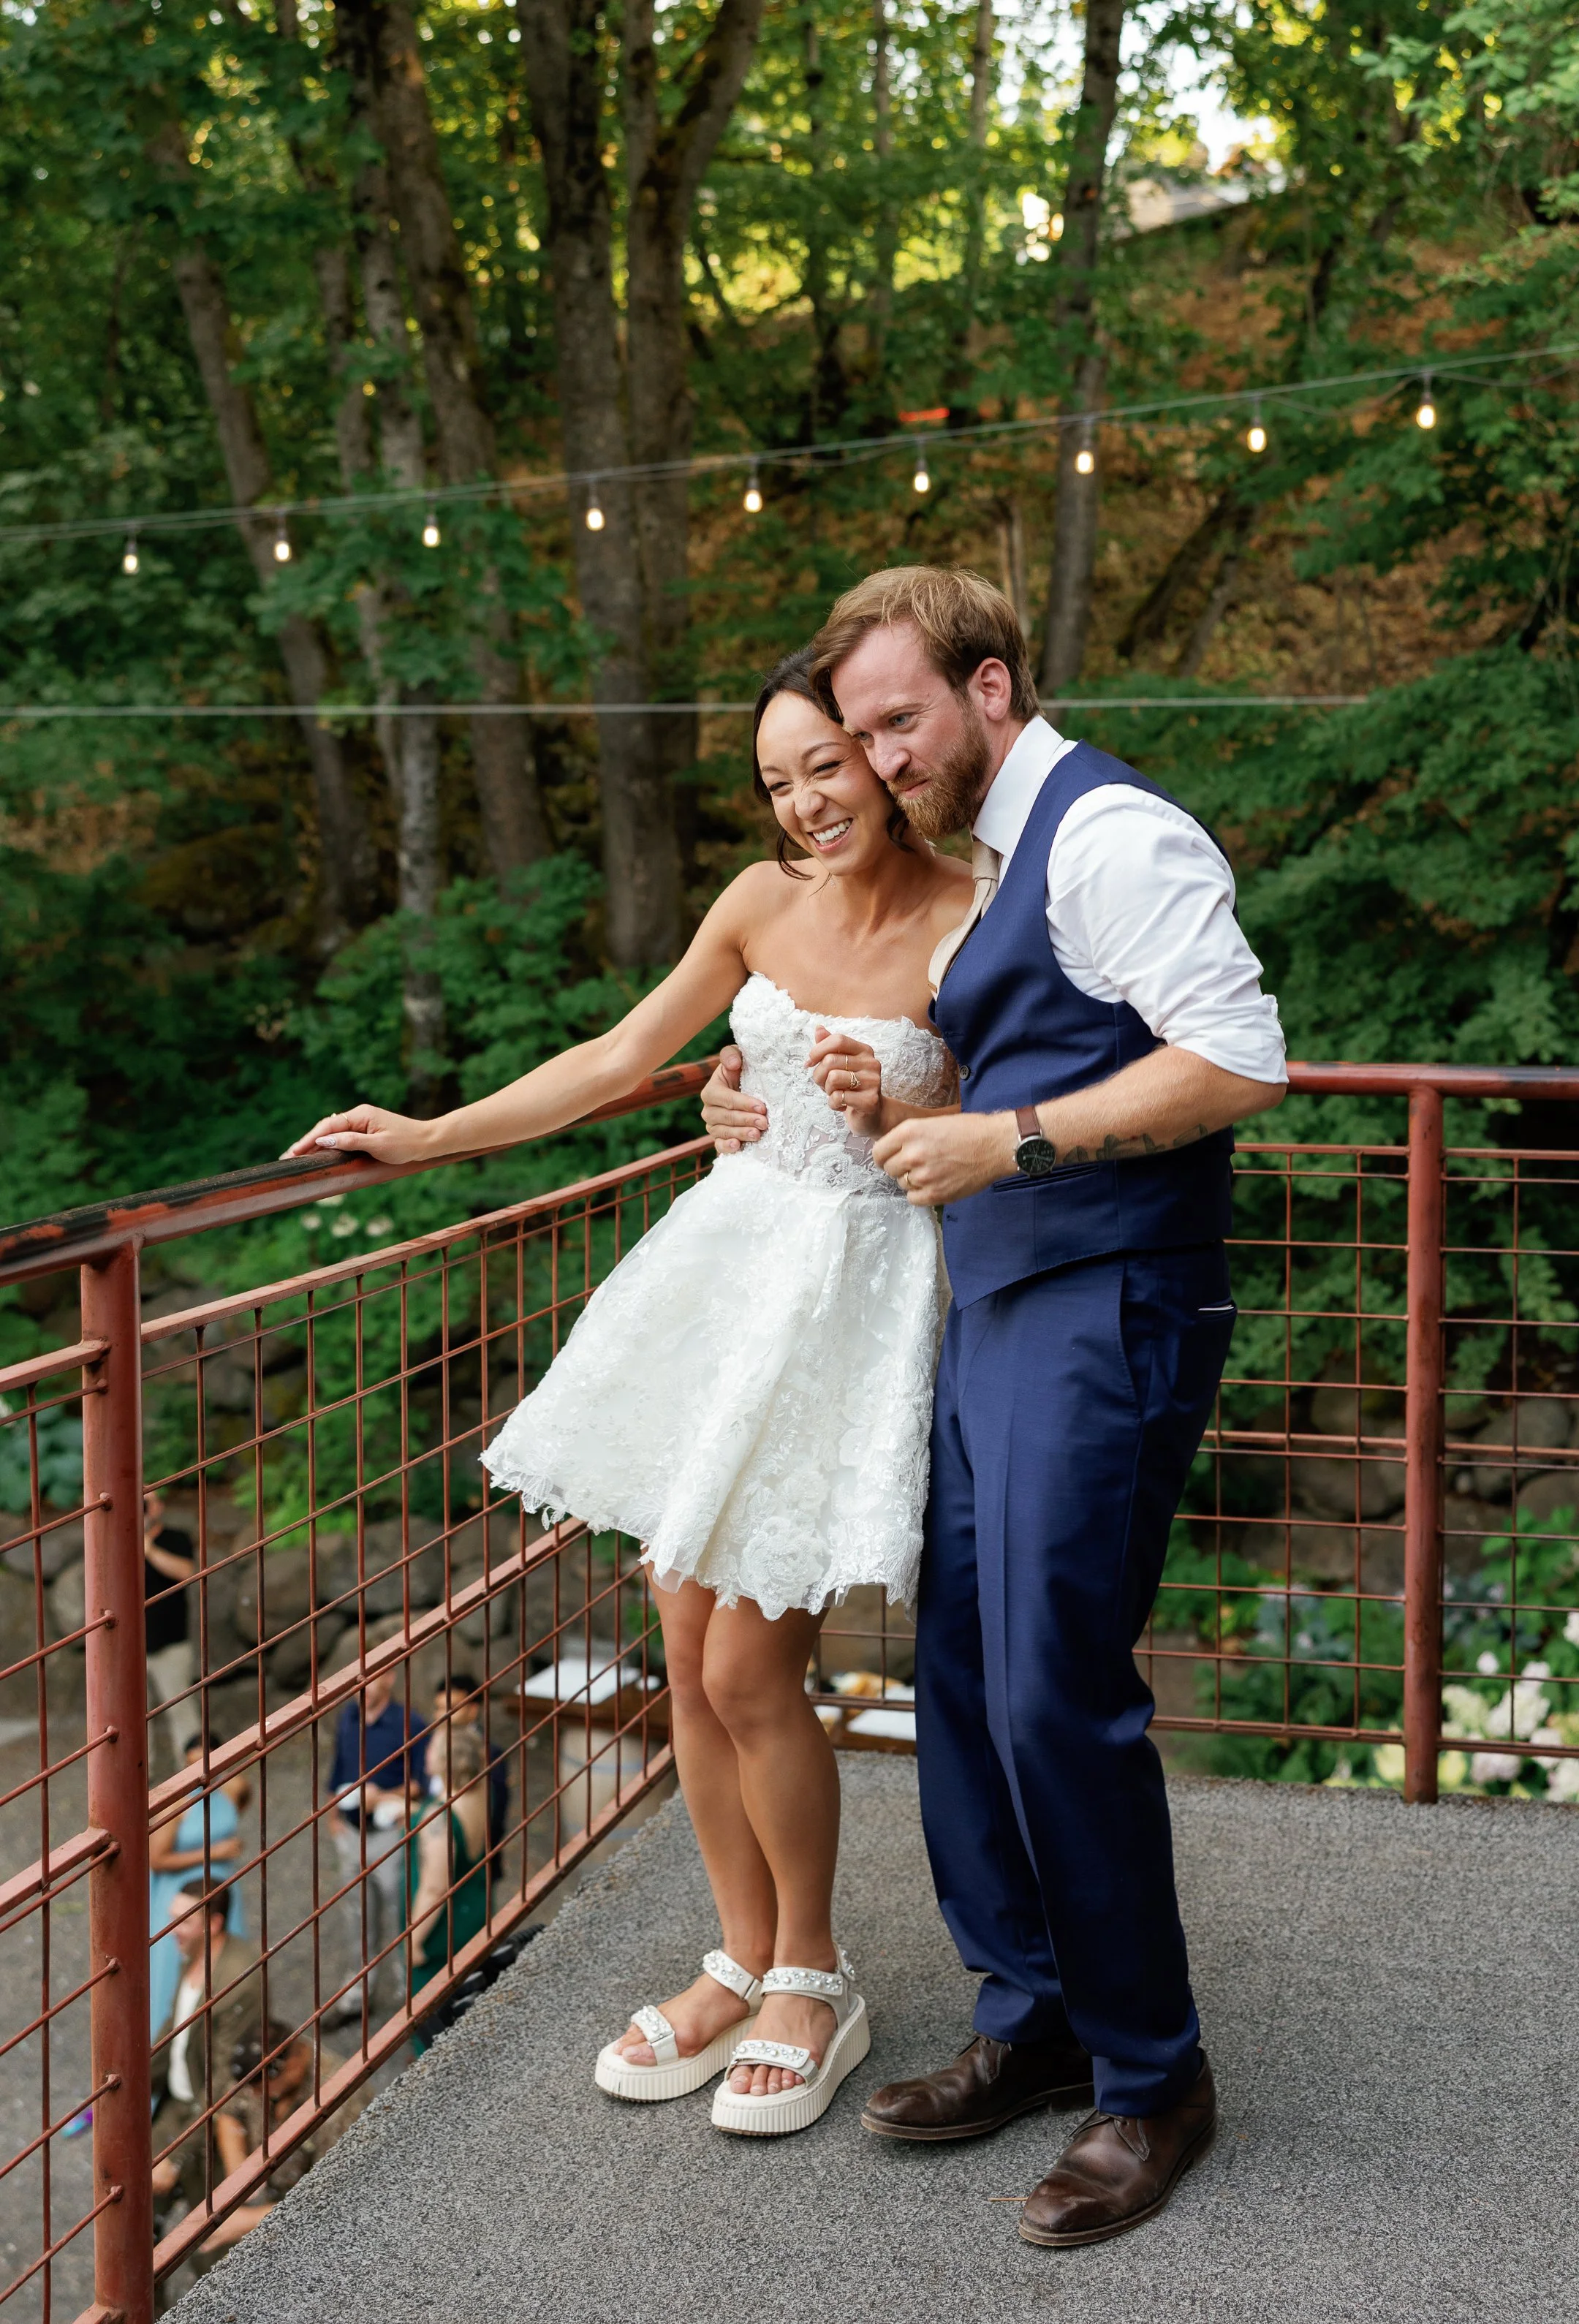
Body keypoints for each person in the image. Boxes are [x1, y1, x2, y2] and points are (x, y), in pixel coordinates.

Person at [284, 648, 972, 2137]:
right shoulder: (755, 902)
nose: (804, 800)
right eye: (780, 779)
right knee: (677, 1633)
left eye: (827, 765)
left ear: (880, 755)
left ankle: (814, 1973)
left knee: (746, 1667)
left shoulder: (971, 909)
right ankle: (736, 1952)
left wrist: (907, 1101)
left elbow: (1003, 1109)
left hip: (853, 1303)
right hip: (727, 1281)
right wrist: (429, 1135)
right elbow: (619, 1053)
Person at [751, 565, 1284, 2245]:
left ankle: (1151, 2079)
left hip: (1108, 1298)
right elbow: (1035, 1055)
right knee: (961, 1673)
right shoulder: (992, 863)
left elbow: (1238, 1056)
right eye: (858, 732)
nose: (878, 759)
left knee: (1055, 1685)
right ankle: (1031, 2016)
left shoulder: (1115, 835)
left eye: (897, 721)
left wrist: (1012, 1140)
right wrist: (884, 1092)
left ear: (990, 690)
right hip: (991, 1301)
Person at [188, 2021, 369, 2263]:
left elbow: (329, 2199)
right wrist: (240, 2176)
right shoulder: (261, 2070)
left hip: (324, 2222)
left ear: (293, 2065)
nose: (254, 2096)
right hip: (273, 2192)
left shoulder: (341, 2104)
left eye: (262, 2090)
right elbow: (229, 2113)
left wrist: (248, 2221)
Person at [151, 1877, 265, 2220]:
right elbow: (174, 2033)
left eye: (184, 1921)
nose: (173, 1930)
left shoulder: (238, 1978)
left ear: (214, 1924)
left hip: (213, 2119)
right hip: (181, 2102)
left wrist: (178, 2157)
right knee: (138, 2210)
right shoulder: (195, 1953)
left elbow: (223, 2079)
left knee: (210, 2232)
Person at [323, 1668, 428, 2030]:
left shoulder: (410, 1723)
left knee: (402, 1912)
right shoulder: (348, 1718)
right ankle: (358, 1994)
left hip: (390, 1834)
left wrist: (382, 1796)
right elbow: (338, 1768)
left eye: (371, 1679)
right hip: (352, 1834)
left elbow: (423, 1785)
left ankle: (410, 1996)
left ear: (391, 1679)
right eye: (357, 1681)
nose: (362, 1689)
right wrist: (334, 1817)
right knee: (357, 1914)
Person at [148, 1730, 247, 2037]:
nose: (201, 1774)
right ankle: (169, 2046)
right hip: (182, 1891)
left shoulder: (233, 1788)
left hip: (222, 1887)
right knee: (173, 1970)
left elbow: (242, 1803)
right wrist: (214, 1852)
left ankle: (225, 2032)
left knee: (227, 1961)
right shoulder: (174, 1803)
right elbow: (156, 1859)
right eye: (192, 1766)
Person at [407, 1721, 491, 2050]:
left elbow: (434, 1889)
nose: (425, 1751)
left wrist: (414, 1939)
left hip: (441, 1926)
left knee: (433, 2017)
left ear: (442, 1761)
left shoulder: (438, 1817)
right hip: (473, 1905)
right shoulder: (479, 1790)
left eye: (432, 1747)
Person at [430, 1672, 509, 1870]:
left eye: (452, 1709)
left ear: (473, 1710)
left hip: (473, 1859)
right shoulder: (431, 1744)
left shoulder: (491, 1753)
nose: (442, 1716)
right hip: (433, 1851)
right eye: (439, 1708)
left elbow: (496, 1810)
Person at [143, 1488, 196, 1773]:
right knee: (132, 1718)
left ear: (159, 1507)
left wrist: (148, 1549)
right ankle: (139, 1777)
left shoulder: (176, 1538)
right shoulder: (122, 1542)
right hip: (133, 1649)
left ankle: (192, 1776)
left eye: (147, 1502)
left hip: (171, 1644)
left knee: (181, 1713)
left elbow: (186, 1572)